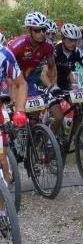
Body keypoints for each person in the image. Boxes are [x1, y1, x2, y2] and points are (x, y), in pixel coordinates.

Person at [41, 23, 83, 132]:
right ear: (63, 39)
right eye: (70, 40)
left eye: (76, 41)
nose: (73, 43)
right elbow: (44, 74)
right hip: (51, 84)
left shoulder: (77, 51)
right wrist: (51, 87)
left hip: (65, 85)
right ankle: (49, 140)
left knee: (78, 110)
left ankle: (74, 137)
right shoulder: (55, 50)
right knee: (59, 116)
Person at [7, 11, 59, 124]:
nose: (41, 33)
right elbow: (5, 66)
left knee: (36, 107)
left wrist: (54, 85)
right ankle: (16, 133)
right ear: (29, 30)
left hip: (29, 78)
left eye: (44, 29)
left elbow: (51, 66)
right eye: (37, 30)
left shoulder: (48, 45)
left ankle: (34, 134)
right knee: (17, 107)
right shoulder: (18, 44)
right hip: (12, 78)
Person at [0, 43, 27, 185]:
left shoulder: (4, 54)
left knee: (2, 157)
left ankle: (3, 206)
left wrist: (20, 110)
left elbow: (21, 84)